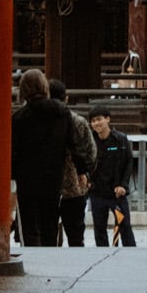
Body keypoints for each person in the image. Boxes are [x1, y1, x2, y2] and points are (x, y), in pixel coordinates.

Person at [10, 68, 95, 249]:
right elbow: (73, 144)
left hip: (27, 177)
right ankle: (49, 255)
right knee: (50, 220)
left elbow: (13, 150)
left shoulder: (19, 117)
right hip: (53, 175)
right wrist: (82, 170)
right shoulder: (62, 112)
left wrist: (11, 174)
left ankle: (34, 255)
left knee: (30, 223)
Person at [48, 80, 97, 248]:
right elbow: (91, 152)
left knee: (48, 234)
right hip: (75, 184)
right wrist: (87, 173)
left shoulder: (43, 121)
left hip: (49, 184)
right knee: (76, 235)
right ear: (66, 98)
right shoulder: (78, 121)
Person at [89, 108, 136, 247]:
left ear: (107, 119)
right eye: (93, 121)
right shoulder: (91, 140)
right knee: (99, 229)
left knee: (124, 226)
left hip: (117, 193)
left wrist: (123, 185)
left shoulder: (120, 139)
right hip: (97, 192)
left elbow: (128, 163)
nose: (96, 123)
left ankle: (132, 254)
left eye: (99, 119)